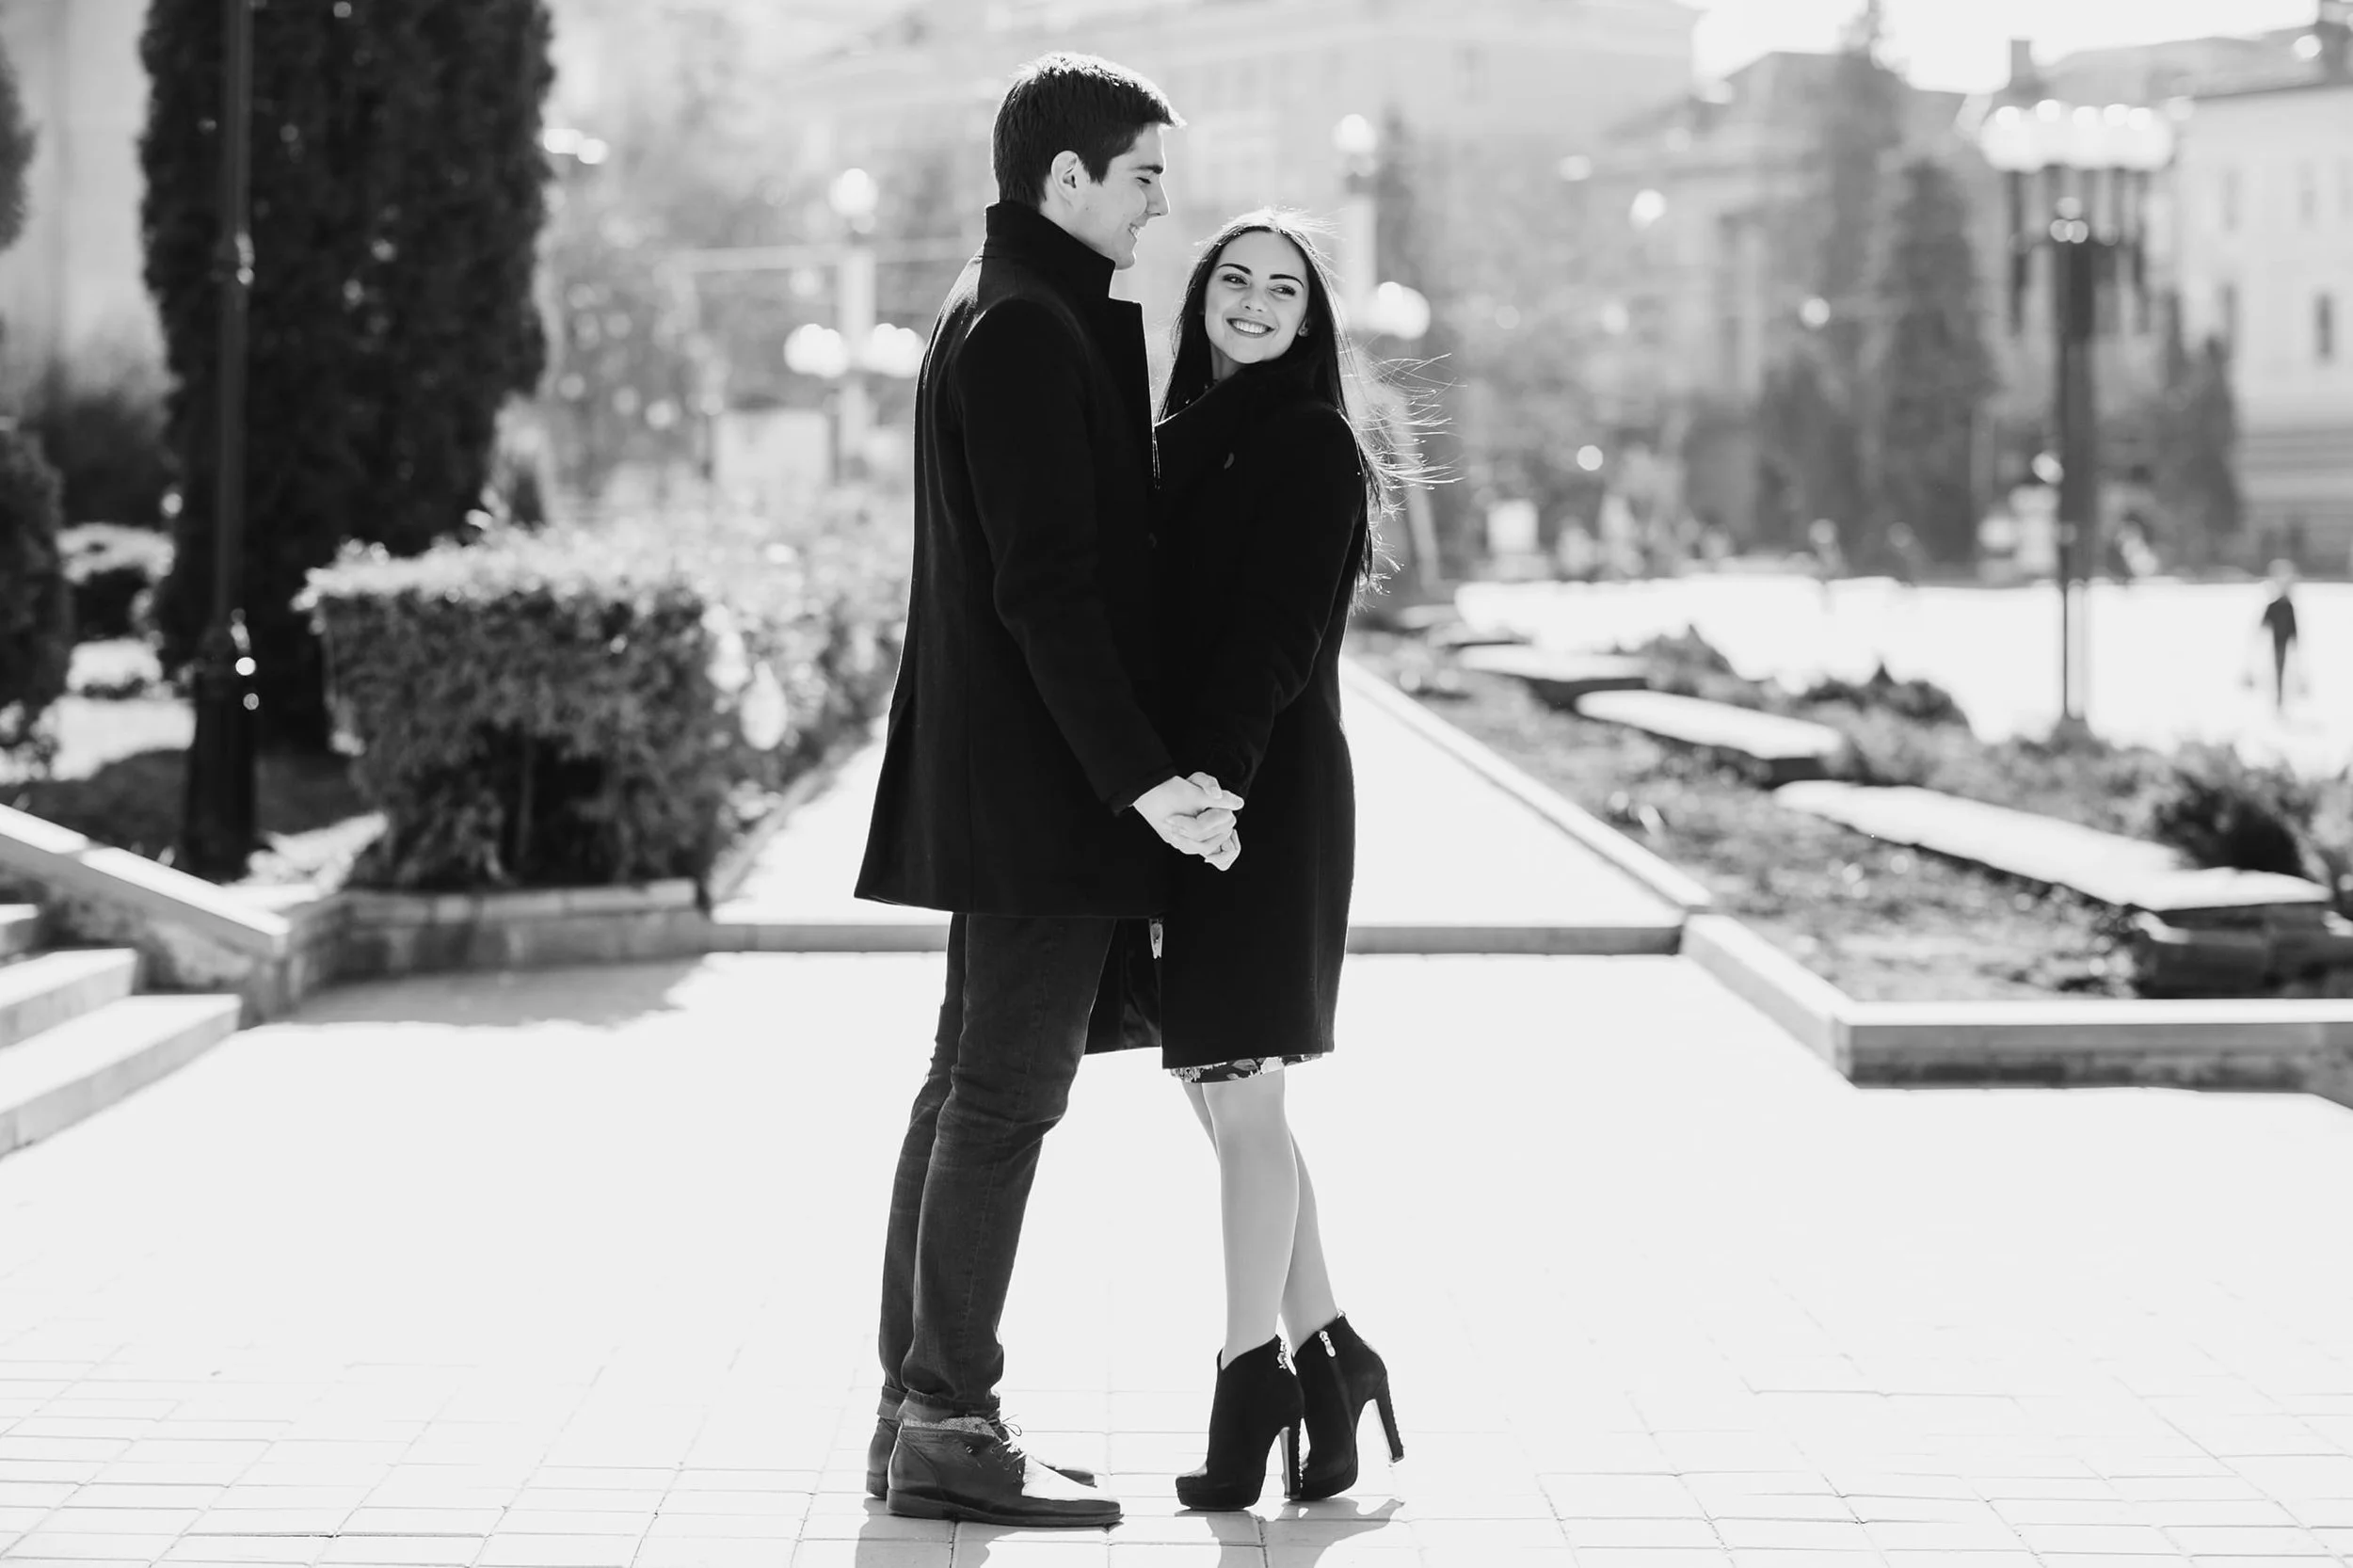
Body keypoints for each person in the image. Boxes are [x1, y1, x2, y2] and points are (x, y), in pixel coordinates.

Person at [854, 53, 1243, 1530]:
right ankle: (948, 1414)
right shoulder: (1025, 328)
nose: (1160, 210)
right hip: (1043, 794)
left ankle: (918, 1402)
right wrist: (1145, 781)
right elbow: (1048, 590)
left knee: (968, 1086)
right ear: (1064, 179)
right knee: (1001, 1097)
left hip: (1017, 781)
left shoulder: (1008, 304)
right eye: (1143, 177)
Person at [1143, 211, 1407, 1511]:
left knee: (1239, 1094)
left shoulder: (1311, 444)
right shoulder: (1181, 436)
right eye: (1234, 280)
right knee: (1220, 1093)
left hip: (1262, 797)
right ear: (1201, 300)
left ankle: (1251, 1380)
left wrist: (1215, 787)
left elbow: (1274, 637)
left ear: (1312, 318)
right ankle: (1334, 1352)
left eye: (1281, 287)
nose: (1253, 300)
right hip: (1190, 798)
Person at [2254, 557, 2304, 713]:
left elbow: (2293, 626)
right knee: (2275, 671)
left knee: (2282, 671)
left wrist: (2296, 641)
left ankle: (2281, 699)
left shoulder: (2287, 606)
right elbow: (2265, 624)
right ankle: (2277, 699)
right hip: (2276, 643)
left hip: (2283, 643)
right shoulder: (2274, 606)